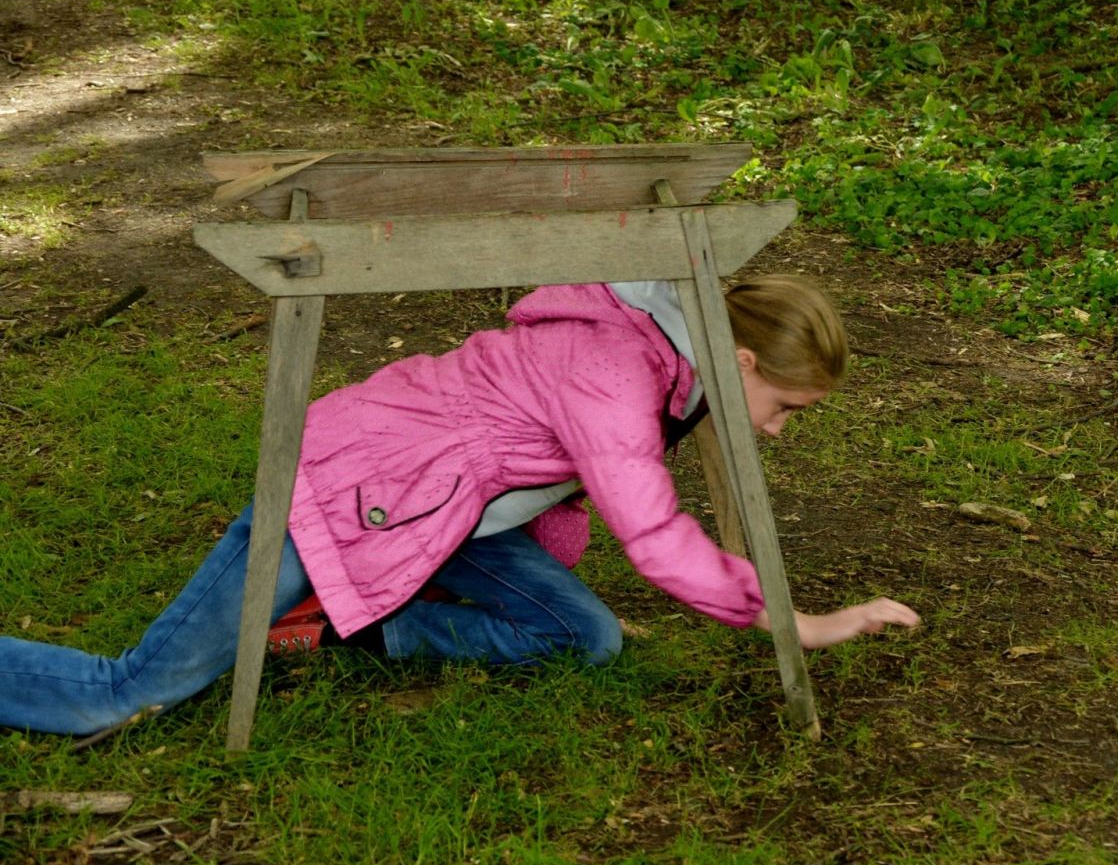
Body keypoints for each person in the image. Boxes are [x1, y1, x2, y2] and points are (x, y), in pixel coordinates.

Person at [0, 275, 920, 736]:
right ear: (743, 361)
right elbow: (651, 529)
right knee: (129, 694)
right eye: (785, 408)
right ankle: (316, 598)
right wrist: (797, 623)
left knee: (585, 638)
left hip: (448, 514)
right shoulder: (614, 370)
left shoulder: (671, 363)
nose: (778, 430)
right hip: (351, 489)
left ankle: (341, 625)